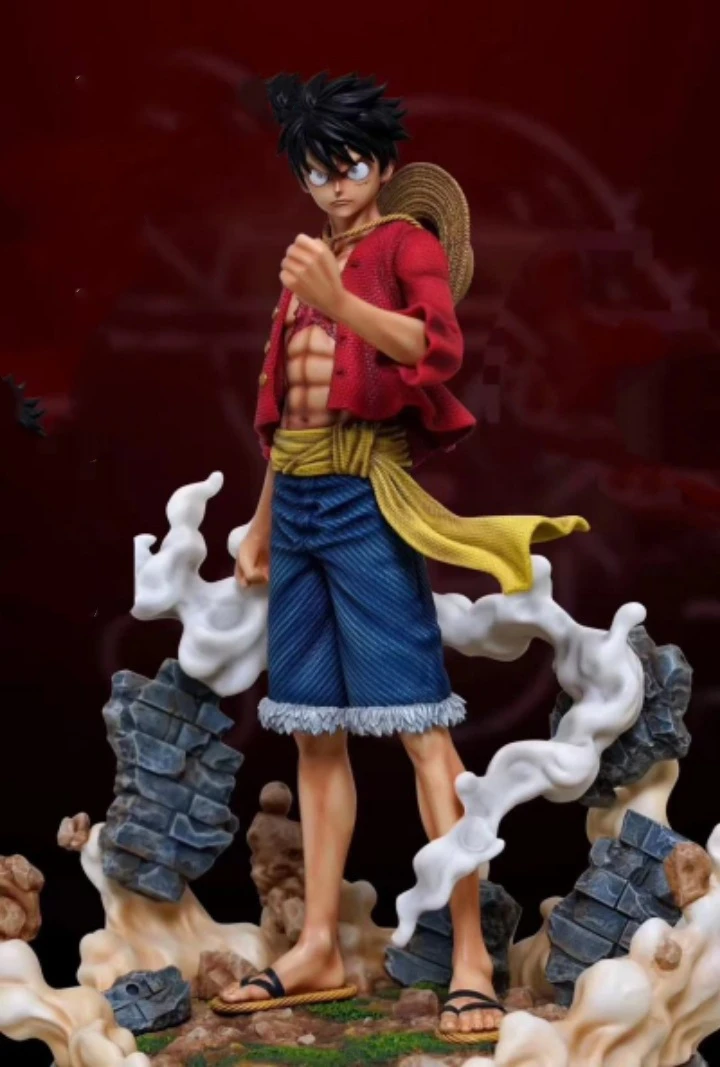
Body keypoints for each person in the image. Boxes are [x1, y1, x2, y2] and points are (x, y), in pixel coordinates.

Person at [215, 71, 588, 1040]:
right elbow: (289, 408)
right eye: (316, 169)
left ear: (382, 166)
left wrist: (337, 298)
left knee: (424, 728)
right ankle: (318, 945)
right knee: (311, 730)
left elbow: (434, 347)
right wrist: (261, 521)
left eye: (349, 165)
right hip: (298, 502)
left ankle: (470, 955)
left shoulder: (402, 248)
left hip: (365, 502)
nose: (334, 184)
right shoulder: (313, 259)